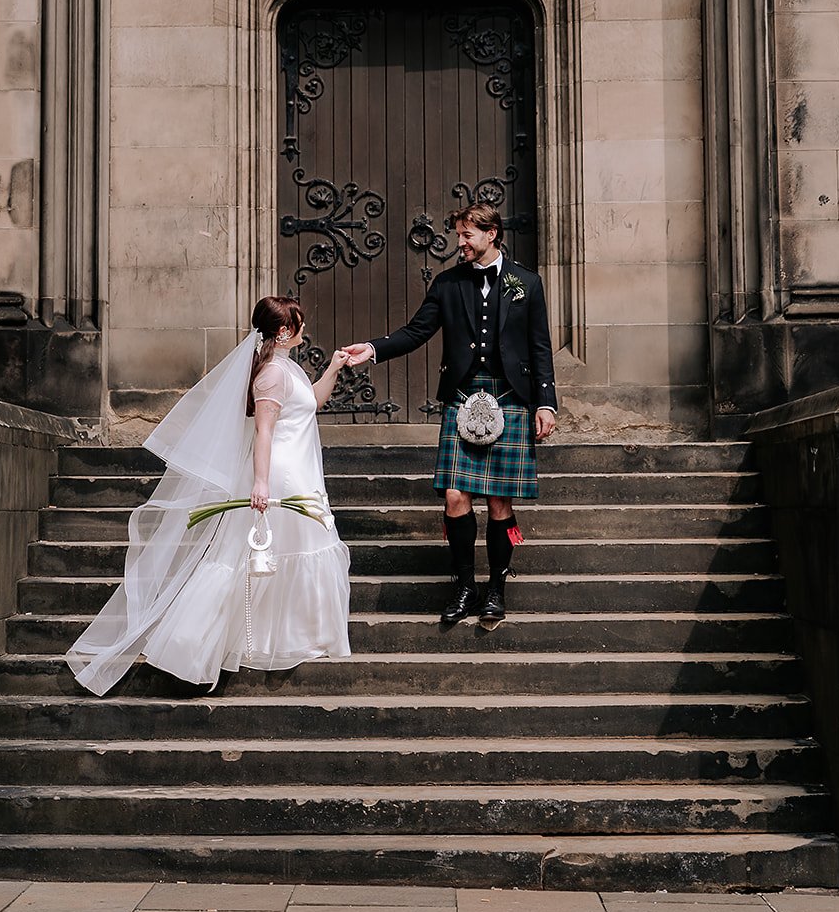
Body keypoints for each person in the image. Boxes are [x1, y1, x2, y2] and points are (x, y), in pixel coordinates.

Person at [66, 296, 351, 693]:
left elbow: (311, 404)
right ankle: (192, 643)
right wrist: (261, 483)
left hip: (302, 472)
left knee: (298, 550)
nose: (306, 328)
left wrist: (333, 368)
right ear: (285, 331)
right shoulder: (271, 375)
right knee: (262, 556)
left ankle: (295, 637)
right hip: (283, 474)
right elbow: (264, 432)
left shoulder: (288, 368)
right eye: (299, 323)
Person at [344, 203, 557, 629]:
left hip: (511, 397)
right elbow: (416, 331)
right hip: (463, 396)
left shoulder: (527, 283)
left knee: (498, 500)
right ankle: (465, 586)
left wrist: (546, 402)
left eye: (467, 235)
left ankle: (496, 588)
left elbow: (540, 346)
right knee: (456, 496)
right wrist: (373, 349)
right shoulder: (448, 283)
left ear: (491, 234)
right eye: (459, 234)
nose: (460, 242)